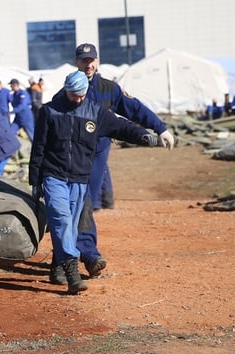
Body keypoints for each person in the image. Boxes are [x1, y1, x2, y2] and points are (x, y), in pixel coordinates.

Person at [29, 71, 158, 294]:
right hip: (54, 175)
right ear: (65, 90)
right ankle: (72, 272)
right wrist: (35, 179)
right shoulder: (49, 111)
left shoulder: (95, 112)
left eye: (81, 95)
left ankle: (58, 266)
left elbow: (120, 126)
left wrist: (143, 135)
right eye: (73, 95)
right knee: (60, 220)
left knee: (70, 226)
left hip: (80, 179)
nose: (78, 99)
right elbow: (38, 147)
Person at [70, 43, 174, 279]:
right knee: (81, 202)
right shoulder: (69, 89)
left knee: (83, 204)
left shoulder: (109, 88)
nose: (89, 64)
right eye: (84, 60)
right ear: (76, 62)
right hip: (73, 156)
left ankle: (69, 253)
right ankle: (88, 254)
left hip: (98, 155)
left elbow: (134, 109)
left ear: (97, 60)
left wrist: (160, 128)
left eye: (92, 60)